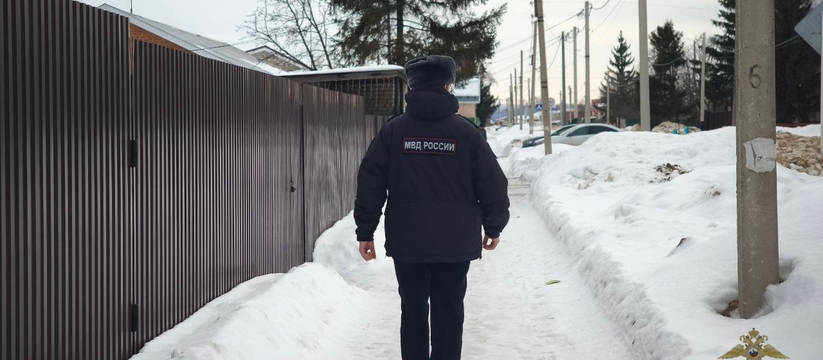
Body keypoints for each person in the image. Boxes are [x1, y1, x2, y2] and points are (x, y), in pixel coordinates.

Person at [353, 55, 510, 360]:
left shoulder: (393, 131)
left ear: (412, 86)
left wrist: (365, 231)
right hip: (455, 242)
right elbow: (492, 183)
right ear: (447, 85)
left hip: (408, 240)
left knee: (412, 311)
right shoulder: (467, 133)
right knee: (449, 312)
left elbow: (370, 181)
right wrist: (494, 226)